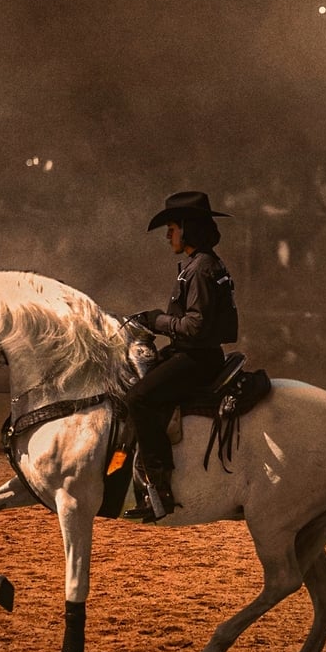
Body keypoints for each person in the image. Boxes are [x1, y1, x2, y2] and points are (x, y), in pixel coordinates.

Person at [124, 191, 239, 522]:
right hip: (196, 354)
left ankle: (159, 488)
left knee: (138, 399)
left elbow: (196, 326)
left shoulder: (200, 269)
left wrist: (156, 320)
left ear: (188, 229)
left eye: (172, 228)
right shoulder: (203, 264)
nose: (167, 235)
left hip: (196, 358)